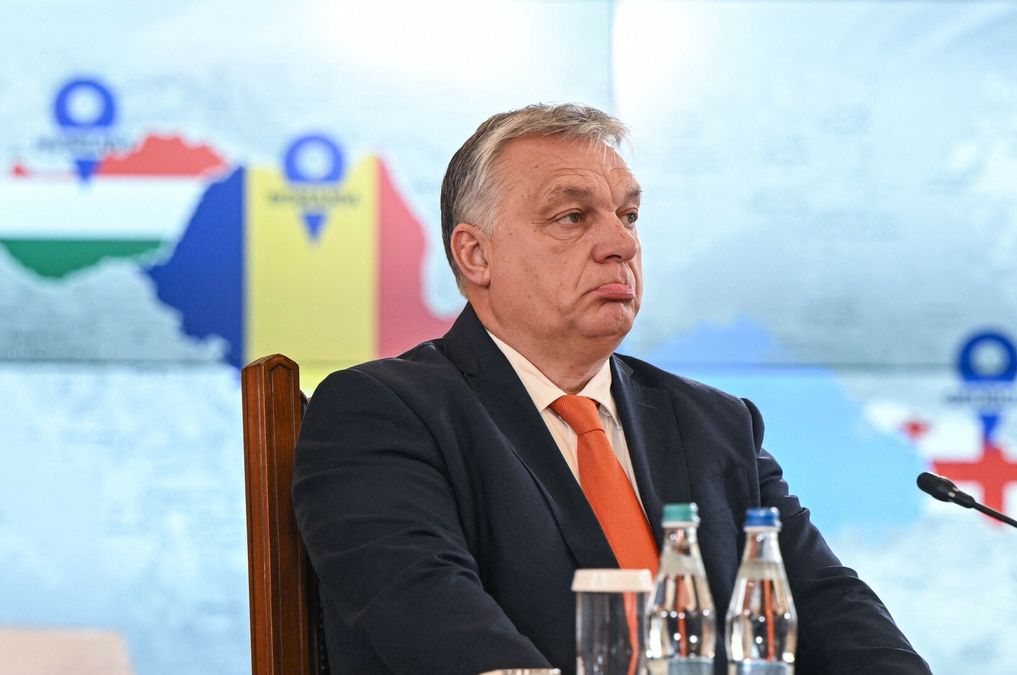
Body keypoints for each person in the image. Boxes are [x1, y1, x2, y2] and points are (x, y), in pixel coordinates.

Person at [293, 103, 931, 675]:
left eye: (628, 216)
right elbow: (424, 607)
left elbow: (821, 599)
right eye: (573, 217)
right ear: (474, 255)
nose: (622, 243)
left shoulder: (713, 421)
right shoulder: (385, 412)